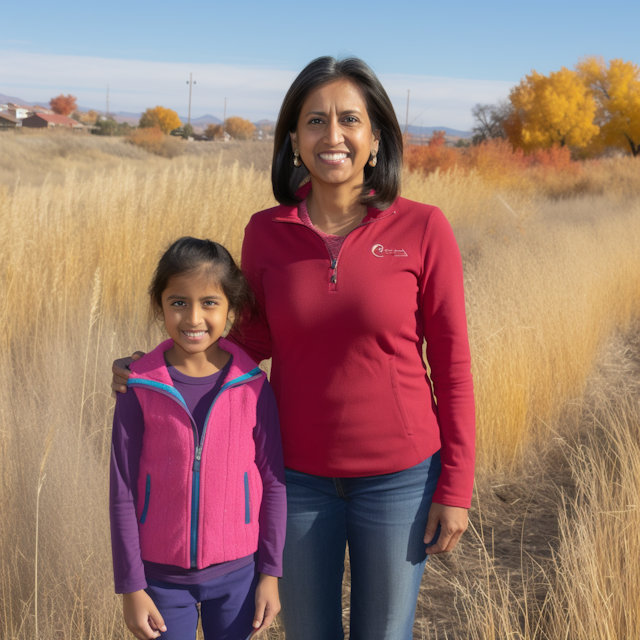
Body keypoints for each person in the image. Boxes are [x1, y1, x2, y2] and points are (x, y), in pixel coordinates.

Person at [113, 56, 475, 640]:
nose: (333, 136)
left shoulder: (423, 228)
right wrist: (156, 368)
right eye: (315, 121)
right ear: (294, 141)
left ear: (375, 137)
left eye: (350, 119)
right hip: (295, 476)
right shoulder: (265, 232)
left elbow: (453, 366)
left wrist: (455, 485)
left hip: (401, 478)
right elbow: (248, 341)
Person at [109, 237, 286, 640]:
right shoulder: (139, 388)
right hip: (160, 578)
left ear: (232, 311)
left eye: (210, 302)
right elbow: (122, 491)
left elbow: (273, 483)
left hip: (239, 575)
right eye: (178, 302)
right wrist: (131, 586)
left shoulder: (254, 387)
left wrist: (270, 573)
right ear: (161, 306)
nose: (193, 318)